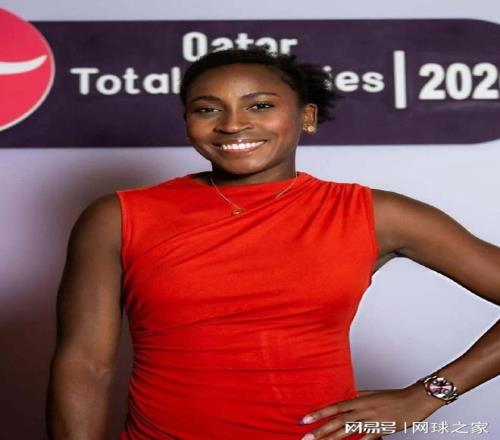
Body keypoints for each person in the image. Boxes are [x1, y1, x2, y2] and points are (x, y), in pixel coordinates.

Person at [46, 48, 500, 440]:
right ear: (187, 122)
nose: (233, 124)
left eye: (260, 105)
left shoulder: (373, 213)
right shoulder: (118, 216)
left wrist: (428, 395)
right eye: (207, 109)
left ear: (307, 117)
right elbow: (85, 364)